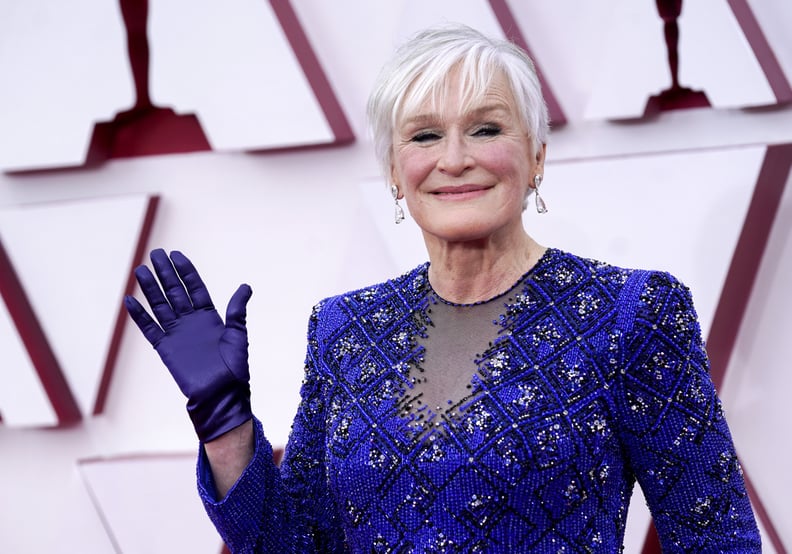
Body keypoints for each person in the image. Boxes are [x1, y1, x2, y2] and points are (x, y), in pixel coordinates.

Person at [125, 24, 761, 553]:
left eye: (486, 129)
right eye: (425, 136)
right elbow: (293, 546)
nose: (455, 158)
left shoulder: (633, 315)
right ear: (396, 173)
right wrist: (224, 421)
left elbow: (717, 539)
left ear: (536, 157)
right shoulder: (345, 329)